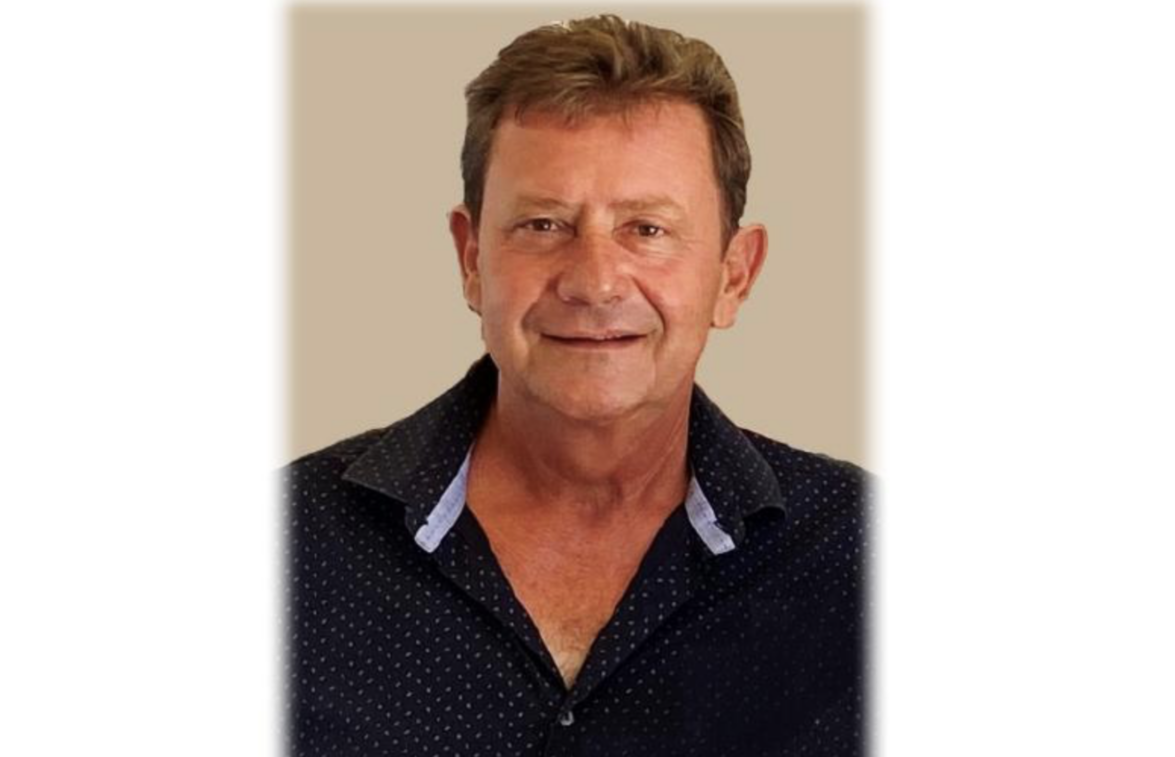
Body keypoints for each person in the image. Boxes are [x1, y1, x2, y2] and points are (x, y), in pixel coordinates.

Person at [285, 14, 867, 756]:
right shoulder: (282, 546)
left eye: (647, 229)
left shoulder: (870, 557)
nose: (594, 281)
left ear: (734, 274)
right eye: (543, 225)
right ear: (470, 259)